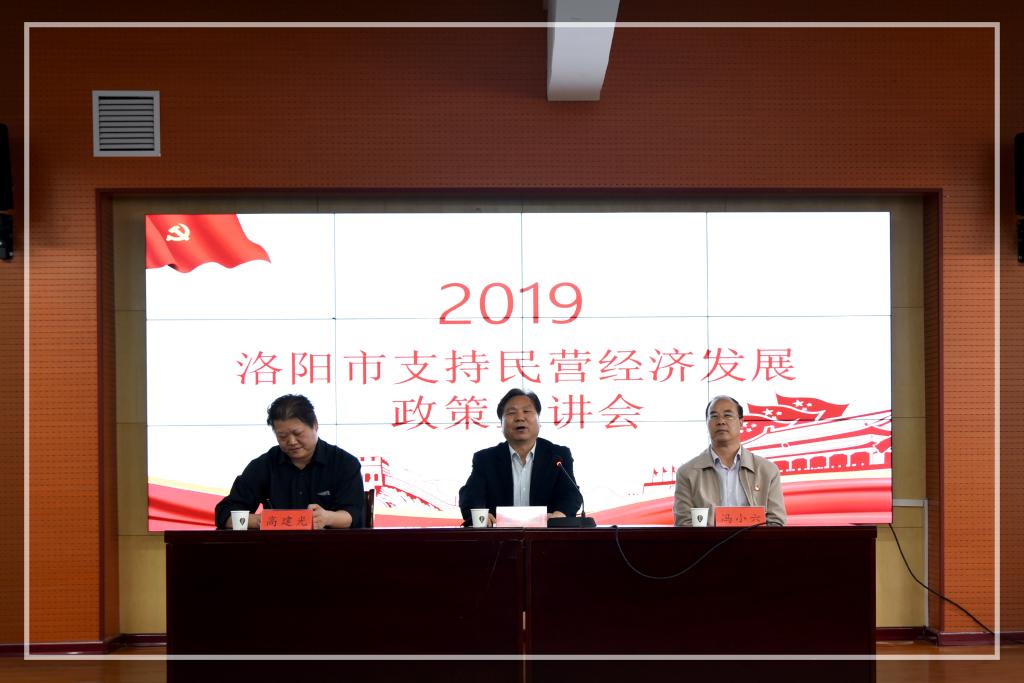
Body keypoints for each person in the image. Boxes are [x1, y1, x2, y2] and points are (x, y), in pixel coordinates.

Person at [214, 394, 365, 529]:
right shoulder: (264, 465)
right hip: (276, 547)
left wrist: (327, 518)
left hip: (329, 547)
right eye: (282, 436)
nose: (291, 441)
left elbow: (355, 515)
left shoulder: (344, 463)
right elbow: (225, 514)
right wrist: (261, 521)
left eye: (297, 433)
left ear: (315, 425)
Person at [458, 388, 583, 526]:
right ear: (501, 424)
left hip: (546, 536)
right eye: (511, 413)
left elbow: (571, 494)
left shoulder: (558, 456)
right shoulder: (486, 459)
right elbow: (470, 497)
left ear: (539, 420)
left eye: (527, 411)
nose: (520, 418)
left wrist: (561, 514)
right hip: (498, 537)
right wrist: (481, 515)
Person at [673, 395, 787, 527]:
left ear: (741, 422)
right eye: (714, 416)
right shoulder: (687, 473)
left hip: (755, 541)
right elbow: (684, 524)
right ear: (707, 423)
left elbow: (776, 523)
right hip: (706, 541)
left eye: (728, 415)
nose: (721, 421)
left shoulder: (768, 471)